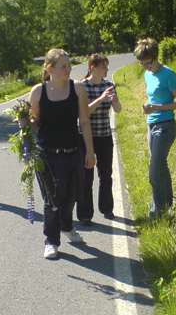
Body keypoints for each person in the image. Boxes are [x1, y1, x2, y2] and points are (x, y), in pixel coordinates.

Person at [28, 49, 96, 259]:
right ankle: (51, 240)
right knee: (52, 199)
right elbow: (35, 122)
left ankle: (67, 226)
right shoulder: (38, 92)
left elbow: (84, 121)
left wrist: (90, 152)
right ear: (49, 69)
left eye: (69, 65)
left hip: (73, 151)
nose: (68, 70)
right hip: (46, 155)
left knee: (73, 195)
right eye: (63, 66)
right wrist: (26, 123)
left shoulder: (78, 89)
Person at [134, 38, 176, 218]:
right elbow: (153, 97)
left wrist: (158, 108)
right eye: (142, 63)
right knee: (161, 165)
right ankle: (167, 204)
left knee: (154, 170)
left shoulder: (169, 74)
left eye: (148, 62)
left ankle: (157, 209)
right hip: (152, 123)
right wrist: (147, 107)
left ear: (155, 57)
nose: (145, 67)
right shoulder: (147, 74)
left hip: (166, 126)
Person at [76, 54, 121, 225]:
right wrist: (101, 98)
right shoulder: (82, 87)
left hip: (104, 136)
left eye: (107, 67)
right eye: (104, 67)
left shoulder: (109, 85)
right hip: (85, 138)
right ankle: (85, 214)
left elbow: (118, 109)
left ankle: (107, 208)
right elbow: (83, 113)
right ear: (92, 67)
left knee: (106, 174)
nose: (107, 70)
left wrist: (114, 99)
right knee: (86, 177)